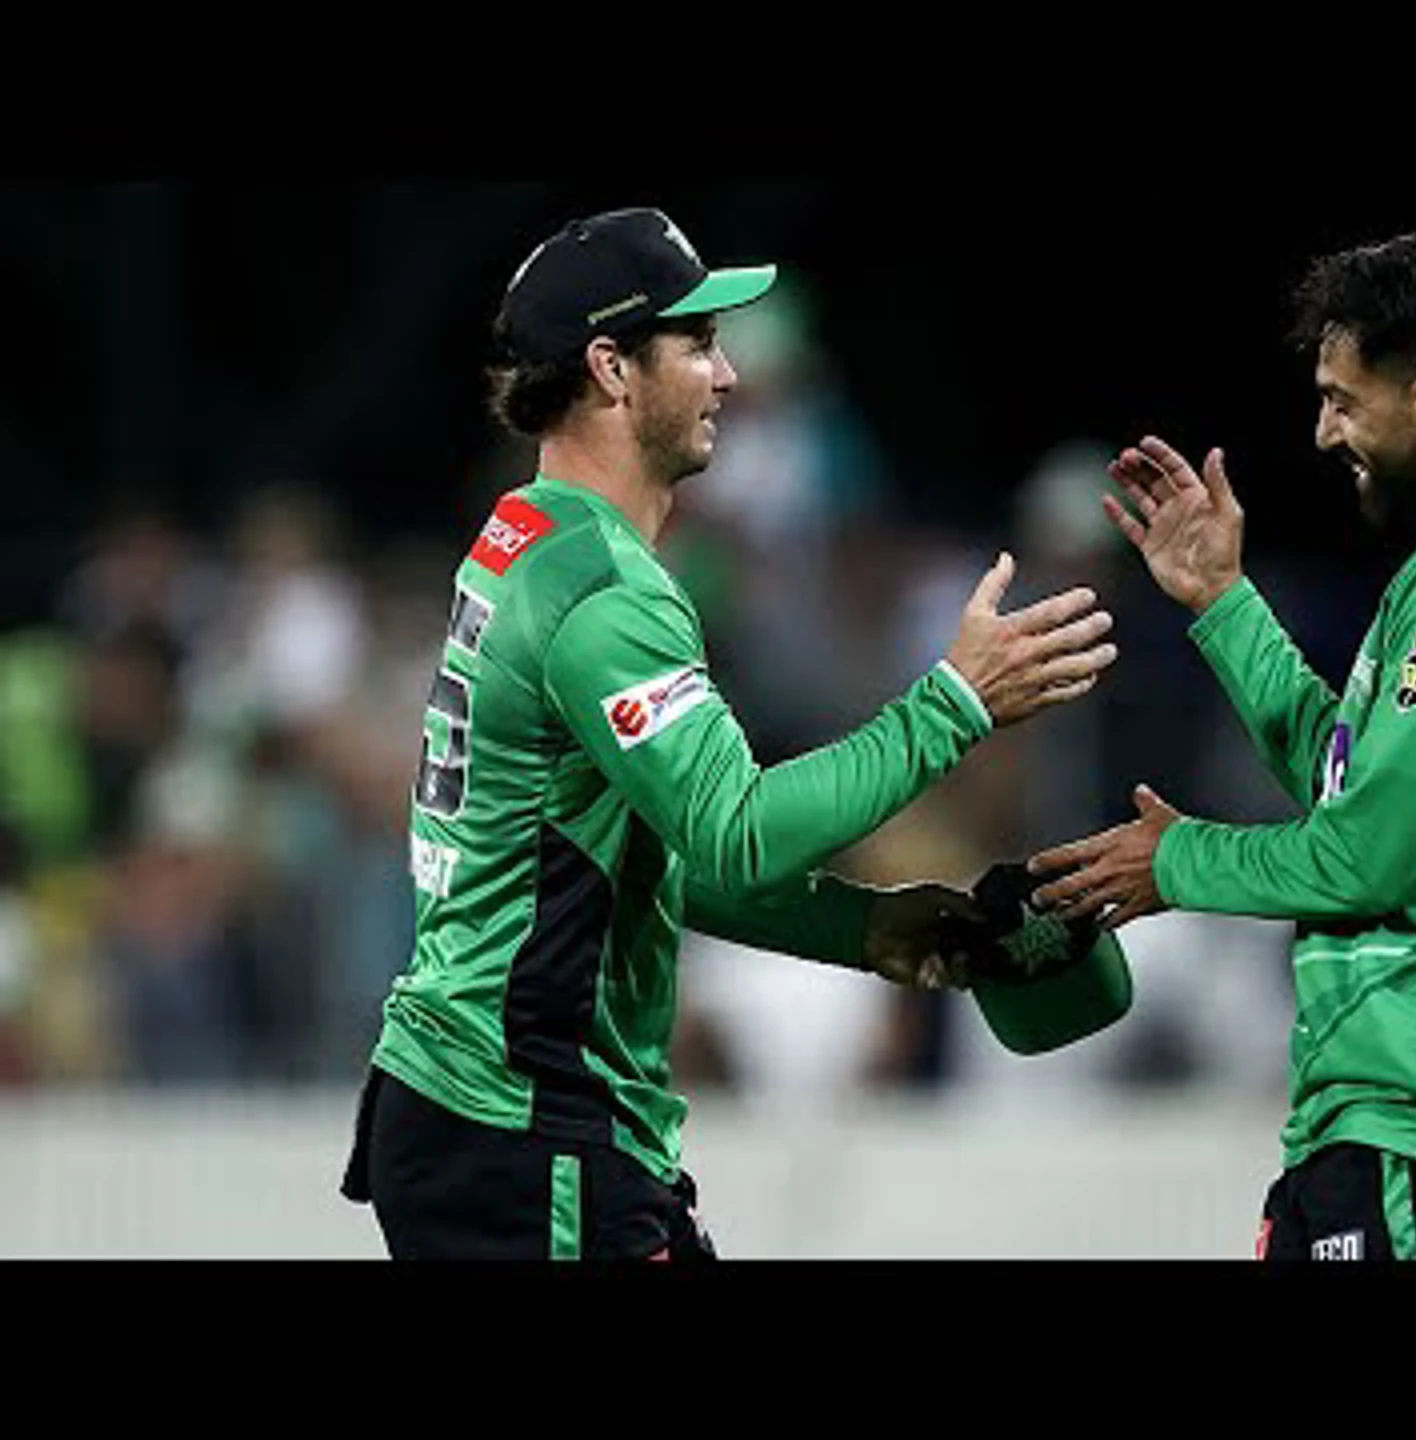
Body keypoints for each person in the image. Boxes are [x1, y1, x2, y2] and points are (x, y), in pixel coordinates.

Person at [340, 206, 1118, 1260]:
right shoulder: (605, 589)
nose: (729, 375)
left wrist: (863, 929)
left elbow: (642, 850)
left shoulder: (528, 538)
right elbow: (737, 832)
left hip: (497, 1119)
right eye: (699, 343)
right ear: (612, 369)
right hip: (528, 1128)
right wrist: (957, 701)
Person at [1029, 231, 1416, 1262]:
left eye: (1343, 401)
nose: (1322, 433)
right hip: (1405, 1123)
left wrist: (1174, 861)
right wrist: (1223, 603)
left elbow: (1364, 856)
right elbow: (1358, 788)